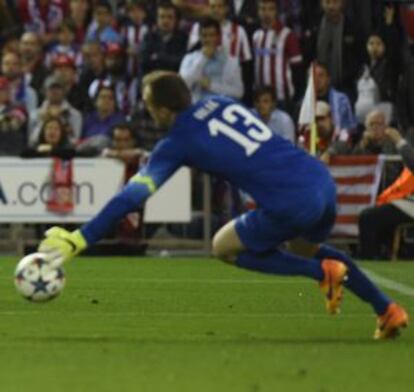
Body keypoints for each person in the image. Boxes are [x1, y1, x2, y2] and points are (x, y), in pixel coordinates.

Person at [38, 71, 409, 340]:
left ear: (164, 110)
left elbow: (133, 196)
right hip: (319, 182)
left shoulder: (176, 141)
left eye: (150, 106)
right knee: (305, 249)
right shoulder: (219, 102)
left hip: (288, 201)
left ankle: (321, 273)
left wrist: (81, 238)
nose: (149, 112)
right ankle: (386, 309)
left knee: (224, 247)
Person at [358, 128, 414, 260]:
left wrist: (399, 141)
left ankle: (370, 259)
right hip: (408, 201)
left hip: (410, 204)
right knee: (371, 216)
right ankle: (380, 255)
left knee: (368, 217)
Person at [179, 17, 244, 102]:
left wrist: (211, 86)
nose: (208, 39)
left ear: (218, 37)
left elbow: (239, 92)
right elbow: (182, 87)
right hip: (195, 108)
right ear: (200, 37)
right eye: (205, 35)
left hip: (220, 108)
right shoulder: (189, 59)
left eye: (212, 35)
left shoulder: (231, 61)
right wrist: (203, 58)